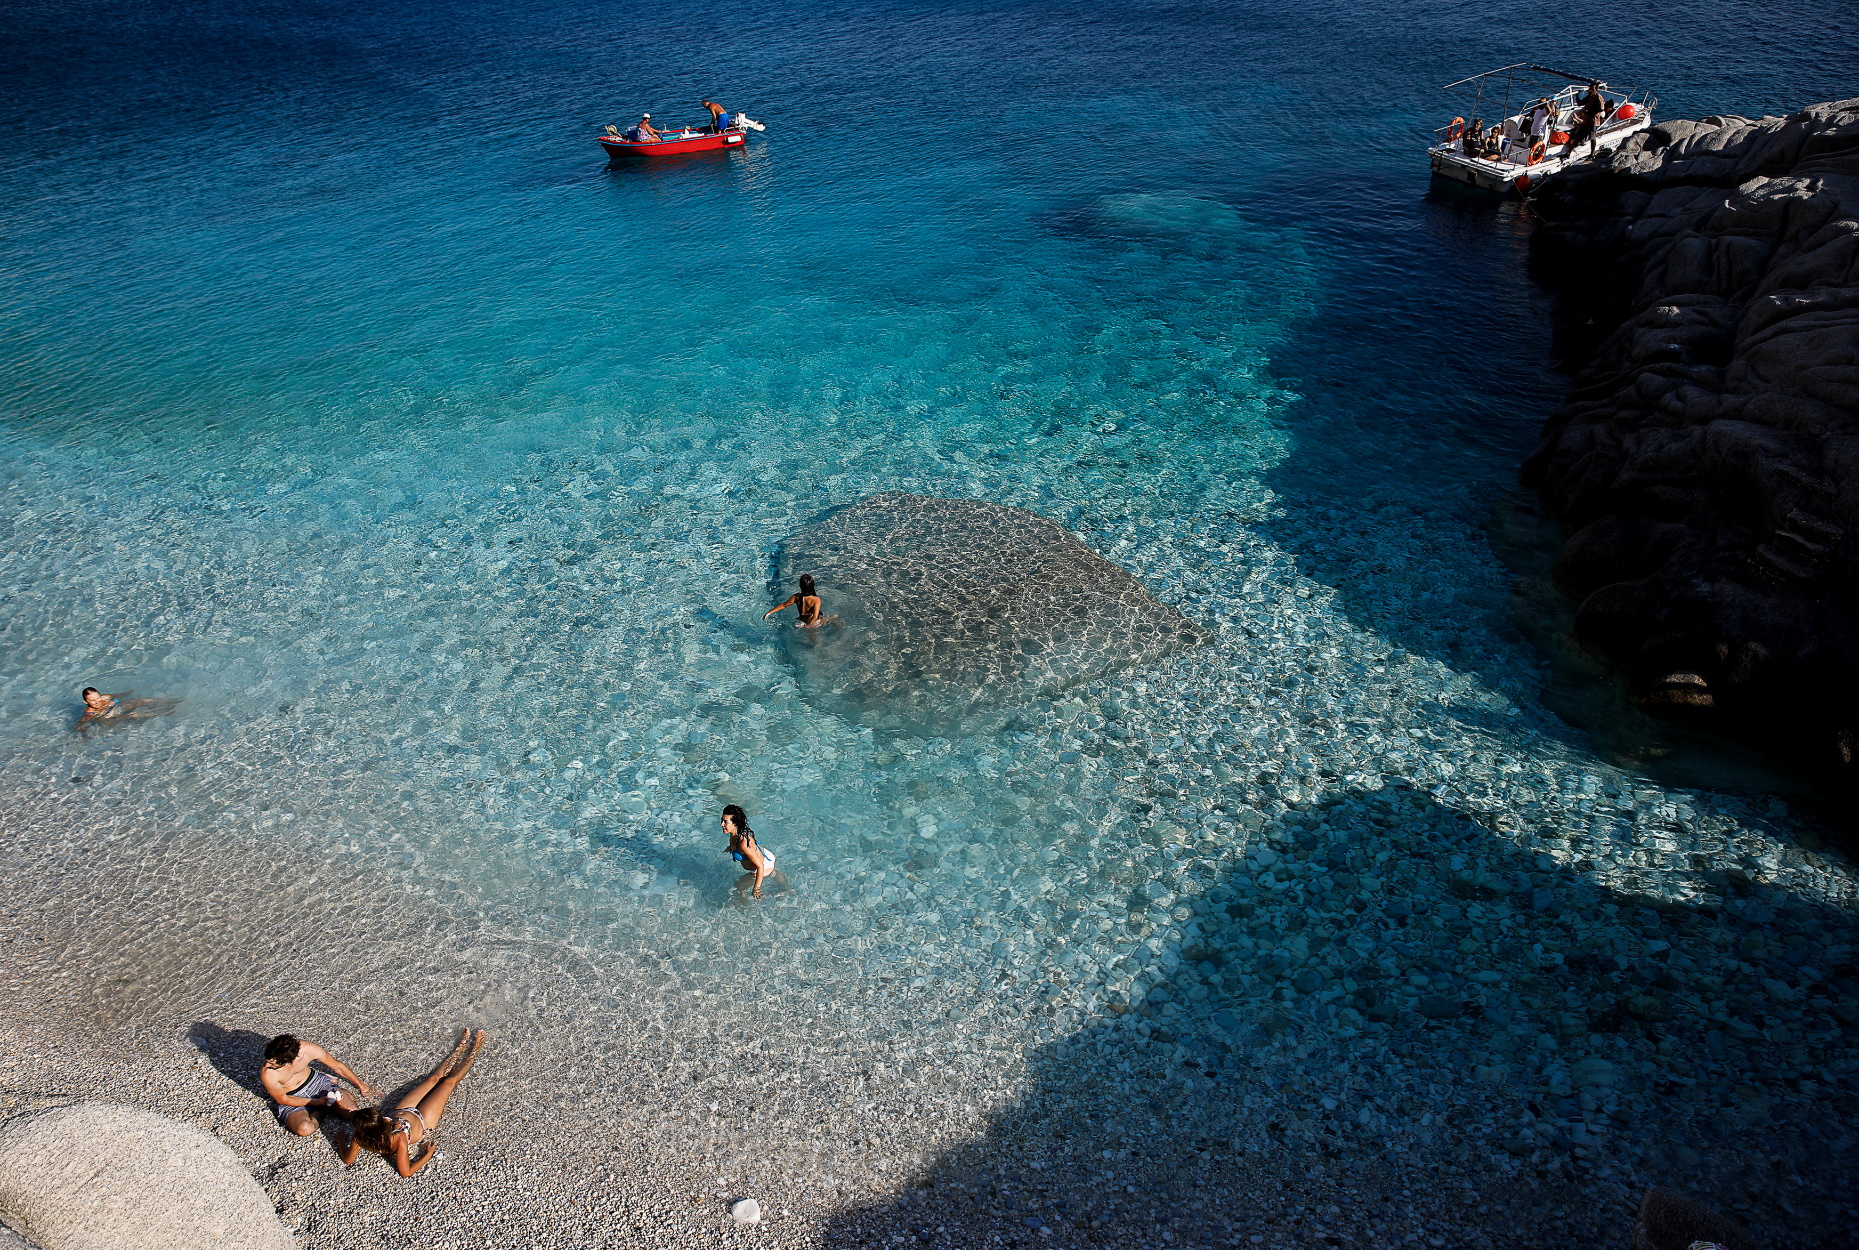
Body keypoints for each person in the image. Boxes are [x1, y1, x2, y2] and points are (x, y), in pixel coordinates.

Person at [340, 1029, 487, 1177]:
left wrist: (340, 1140)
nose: (383, 1117)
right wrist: (427, 1155)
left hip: (403, 1111)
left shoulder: (360, 1135)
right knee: (449, 1082)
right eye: (380, 1118)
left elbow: (347, 1160)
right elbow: (405, 1172)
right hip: (423, 1121)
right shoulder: (398, 1138)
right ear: (379, 1125)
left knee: (433, 1079)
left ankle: (460, 1047)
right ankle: (476, 1048)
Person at [260, 1034, 377, 1137]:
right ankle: (325, 1108)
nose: (267, 1063)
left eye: (272, 1062)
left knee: (353, 1113)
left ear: (292, 1059)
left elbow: (337, 1067)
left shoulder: (307, 1049)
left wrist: (363, 1086)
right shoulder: (268, 1073)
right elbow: (283, 1099)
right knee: (305, 1129)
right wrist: (318, 1102)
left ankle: (382, 1126)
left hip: (317, 1083)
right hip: (293, 1096)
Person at [722, 804, 788, 900]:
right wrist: (730, 849)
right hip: (763, 854)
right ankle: (787, 888)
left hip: (763, 865)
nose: (722, 824)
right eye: (722, 820)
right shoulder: (735, 833)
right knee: (774, 874)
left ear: (735, 823)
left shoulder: (744, 844)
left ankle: (743, 905)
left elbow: (760, 866)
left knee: (739, 888)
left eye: (725, 822)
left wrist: (756, 889)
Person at [76, 686, 180, 735]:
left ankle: (169, 701)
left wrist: (130, 691)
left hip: (115, 708)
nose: (97, 702)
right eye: (93, 701)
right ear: (85, 702)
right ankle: (161, 714)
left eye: (98, 698)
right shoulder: (89, 713)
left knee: (138, 701)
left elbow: (118, 695)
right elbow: (79, 725)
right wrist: (84, 734)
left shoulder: (105, 697)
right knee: (132, 715)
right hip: (109, 720)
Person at [763, 573, 839, 630]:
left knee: (813, 639)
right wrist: (809, 625)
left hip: (804, 621)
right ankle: (834, 619)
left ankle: (833, 619)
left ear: (800, 586)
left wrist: (769, 612)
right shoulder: (816, 600)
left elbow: (784, 605)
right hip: (814, 622)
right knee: (831, 618)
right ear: (812, 586)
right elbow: (815, 616)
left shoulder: (796, 596)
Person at [1567, 81, 1606, 156]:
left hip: (1593, 121)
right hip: (1586, 121)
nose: (1590, 91)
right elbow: (1580, 103)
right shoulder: (1589, 97)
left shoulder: (1598, 97)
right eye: (1589, 89)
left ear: (1596, 90)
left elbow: (1601, 109)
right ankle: (1568, 152)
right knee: (1578, 136)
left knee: (1592, 137)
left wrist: (1590, 111)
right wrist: (1577, 95)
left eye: (1592, 89)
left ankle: (1592, 153)